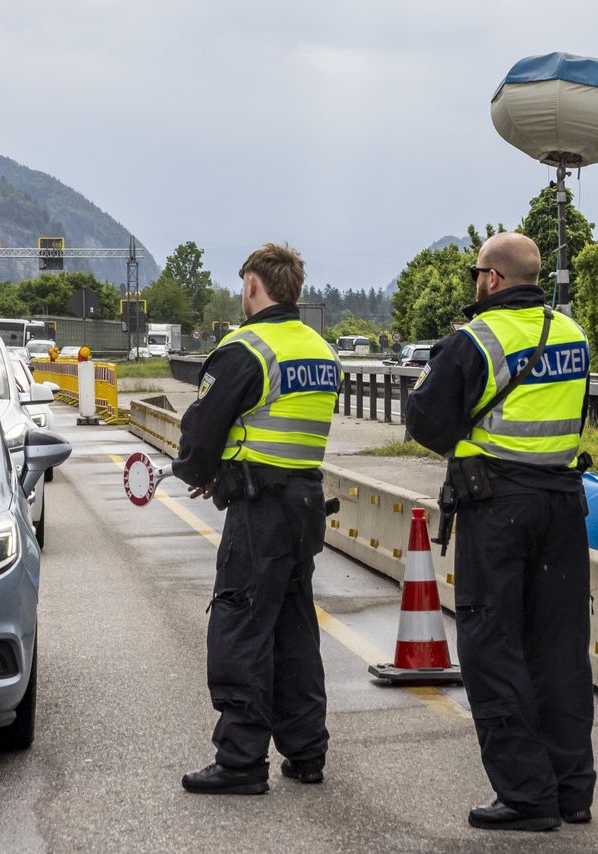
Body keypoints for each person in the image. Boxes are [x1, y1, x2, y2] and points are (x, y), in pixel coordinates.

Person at [405, 232, 594, 832]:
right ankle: (571, 790)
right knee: (559, 648)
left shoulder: (475, 340)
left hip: (499, 509)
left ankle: (525, 794)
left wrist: (466, 433)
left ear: (492, 278)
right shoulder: (573, 333)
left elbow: (425, 421)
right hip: (564, 503)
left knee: (492, 647)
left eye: (476, 274)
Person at [173, 243, 340, 795]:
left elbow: (203, 428)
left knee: (240, 624)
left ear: (253, 285)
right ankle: (307, 751)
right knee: (294, 629)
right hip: (305, 506)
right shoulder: (320, 349)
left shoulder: (246, 348)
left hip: (260, 511)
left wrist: (197, 471)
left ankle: (241, 759)